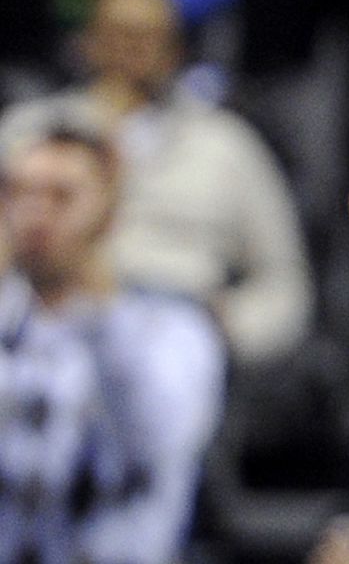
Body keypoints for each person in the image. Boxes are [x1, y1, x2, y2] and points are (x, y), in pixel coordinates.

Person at [0, 0, 314, 367]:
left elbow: (284, 281)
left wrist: (226, 332)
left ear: (175, 52)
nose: (129, 49)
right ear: (87, 43)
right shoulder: (28, 133)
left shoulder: (226, 145)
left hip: (177, 327)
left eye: (145, 36)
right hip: (45, 322)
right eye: (116, 33)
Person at [0, 124, 226, 564]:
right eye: (20, 193)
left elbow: (159, 442)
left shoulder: (174, 330)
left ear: (109, 212)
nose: (36, 212)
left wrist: (99, 312)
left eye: (61, 196)